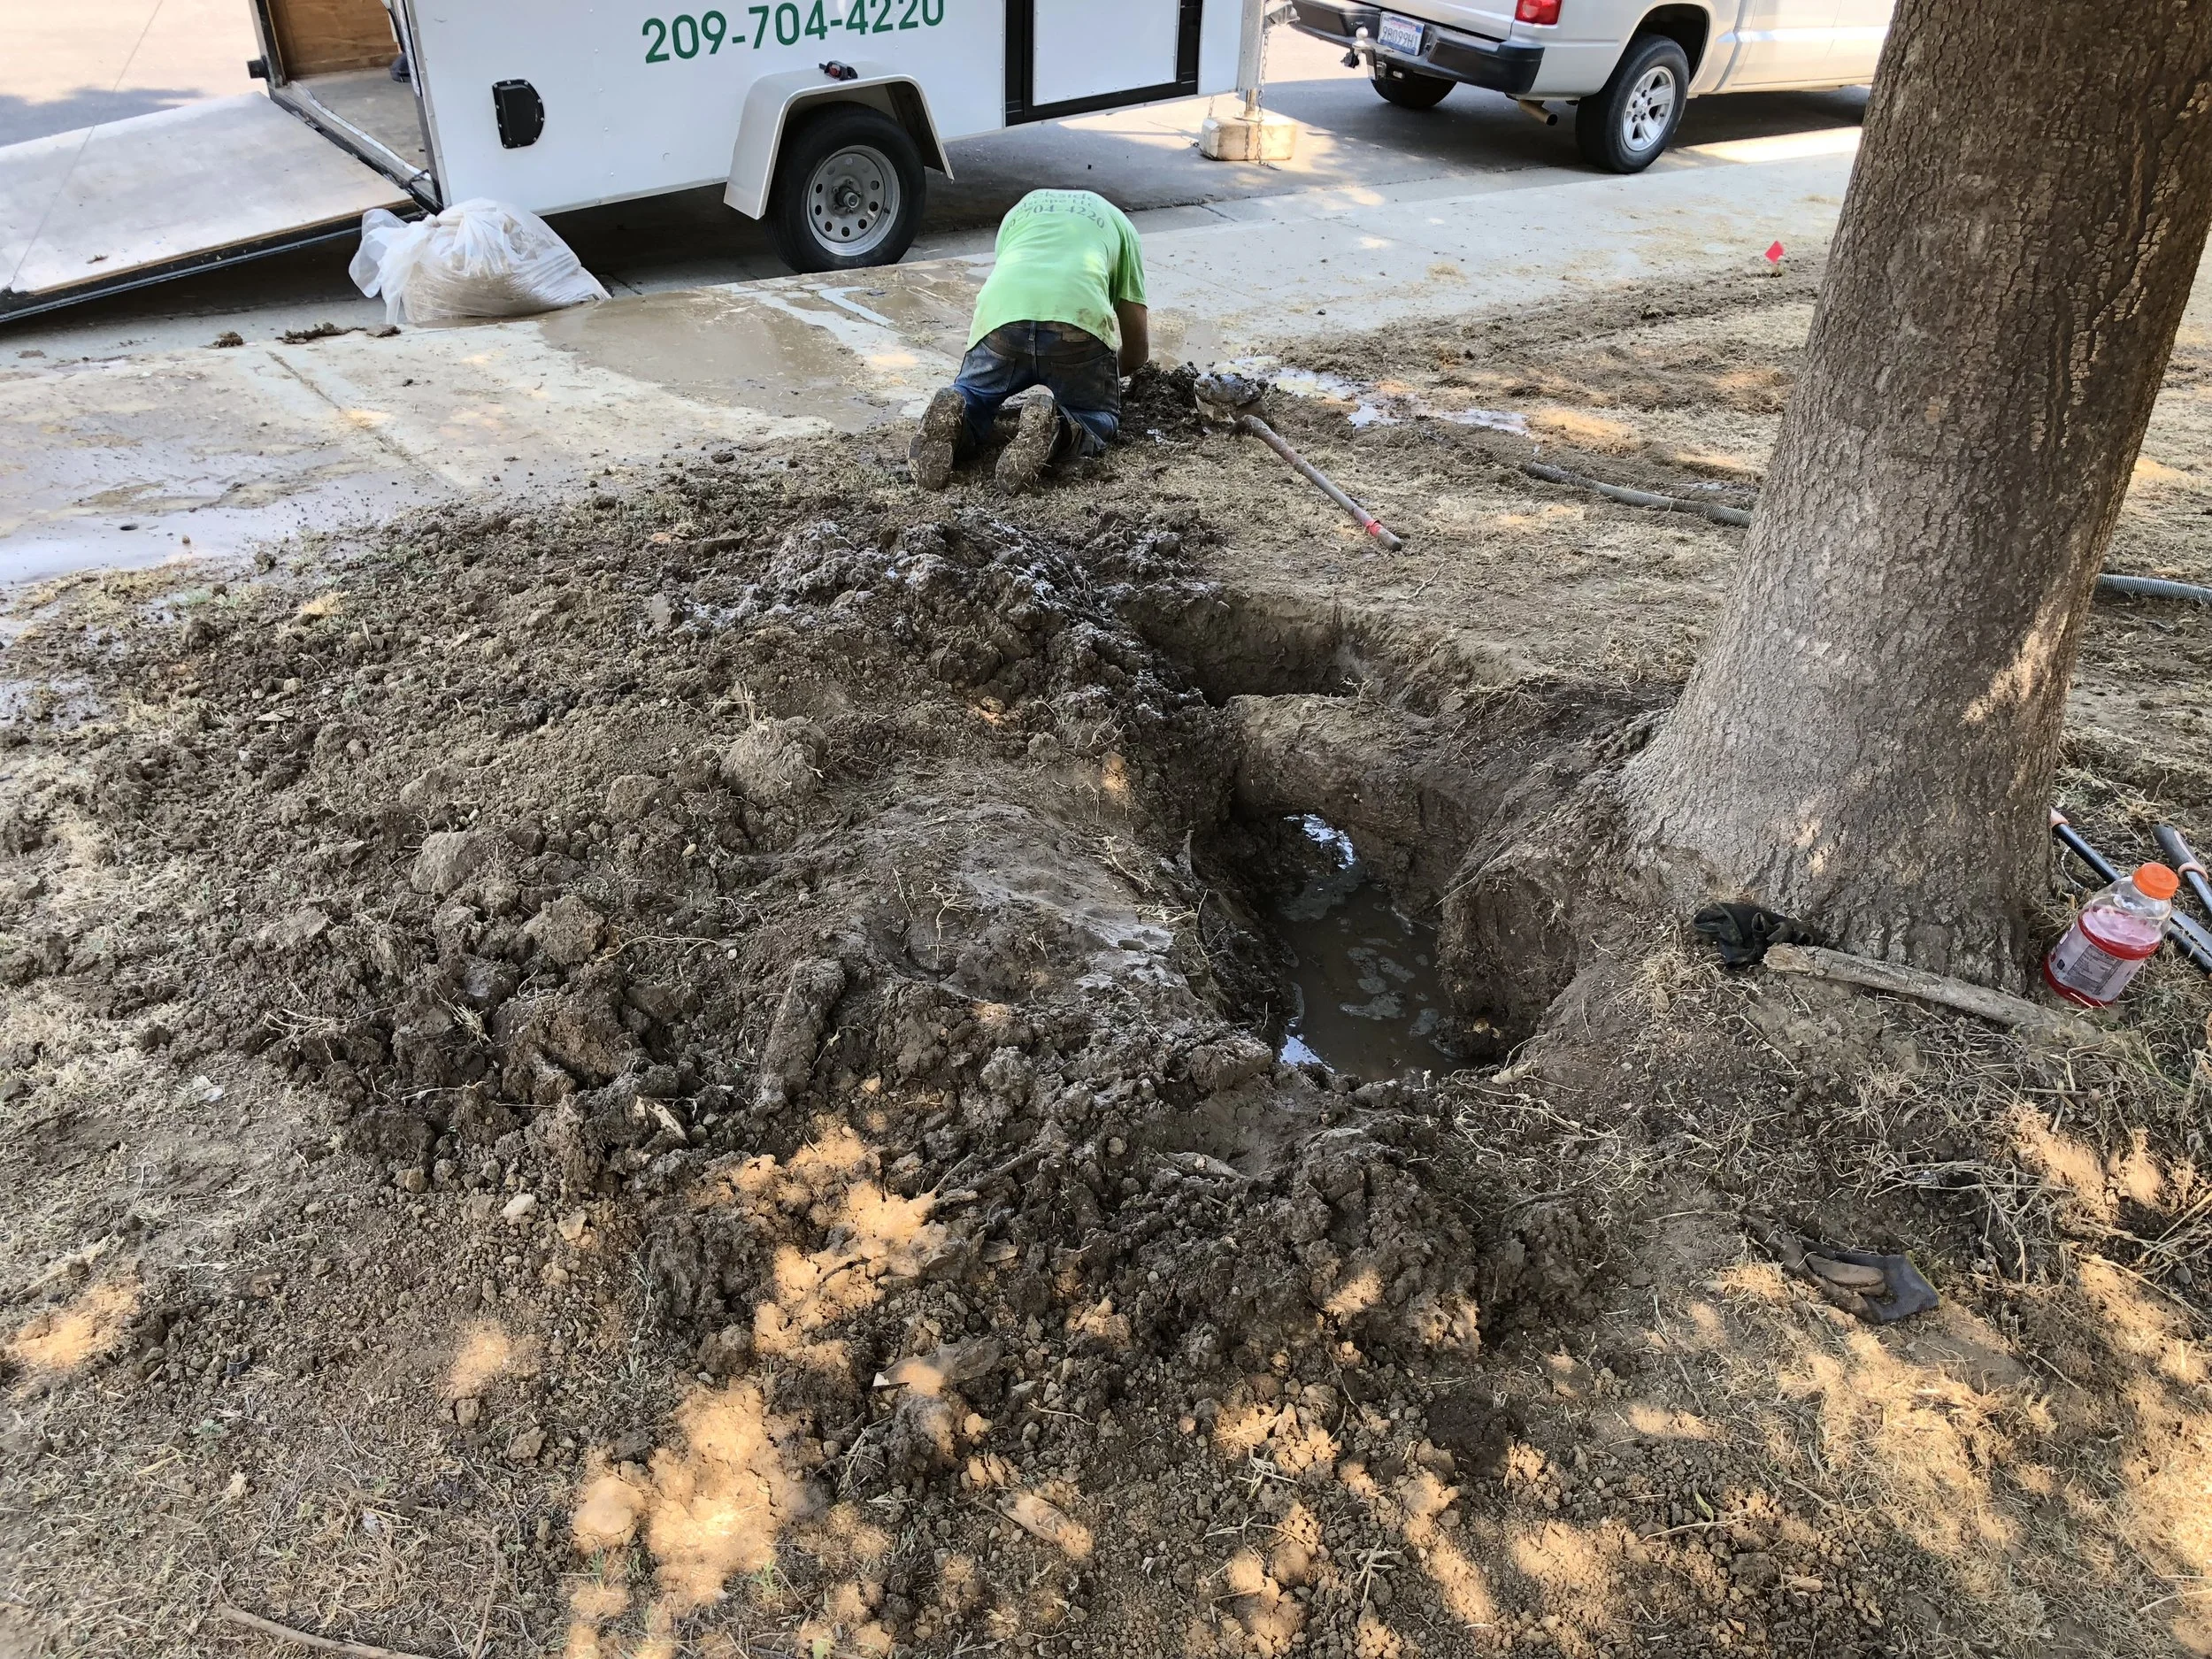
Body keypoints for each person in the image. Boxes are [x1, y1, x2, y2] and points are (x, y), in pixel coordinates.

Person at [910, 188, 1149, 493]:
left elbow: (1012, 278)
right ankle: (1056, 427)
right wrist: (1098, 377)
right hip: (1076, 321)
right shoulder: (1120, 225)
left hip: (1004, 316)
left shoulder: (1020, 209)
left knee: (974, 396)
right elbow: (1137, 351)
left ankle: (959, 414)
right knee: (1096, 416)